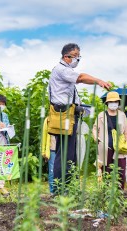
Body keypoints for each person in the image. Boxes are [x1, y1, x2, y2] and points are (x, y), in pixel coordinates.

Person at [48, 43, 111, 194]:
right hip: (63, 115)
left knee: (69, 153)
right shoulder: (61, 69)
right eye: (75, 57)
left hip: (69, 114)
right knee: (64, 153)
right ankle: (59, 190)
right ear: (66, 57)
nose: (77, 60)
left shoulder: (64, 71)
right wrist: (98, 81)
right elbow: (81, 78)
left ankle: (69, 187)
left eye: (78, 57)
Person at [93, 91, 127, 189]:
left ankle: (120, 193)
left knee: (121, 171)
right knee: (106, 171)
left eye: (115, 101)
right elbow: (95, 128)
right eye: (111, 101)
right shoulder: (101, 115)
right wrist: (96, 138)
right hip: (105, 147)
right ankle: (106, 192)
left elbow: (126, 132)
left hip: (120, 148)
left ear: (118, 103)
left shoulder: (122, 115)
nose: (113, 103)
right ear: (107, 103)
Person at [41, 117, 57, 195]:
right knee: (52, 171)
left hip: (62, 149)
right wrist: (43, 151)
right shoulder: (48, 120)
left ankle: (60, 190)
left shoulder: (65, 118)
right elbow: (44, 135)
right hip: (52, 149)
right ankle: (52, 191)